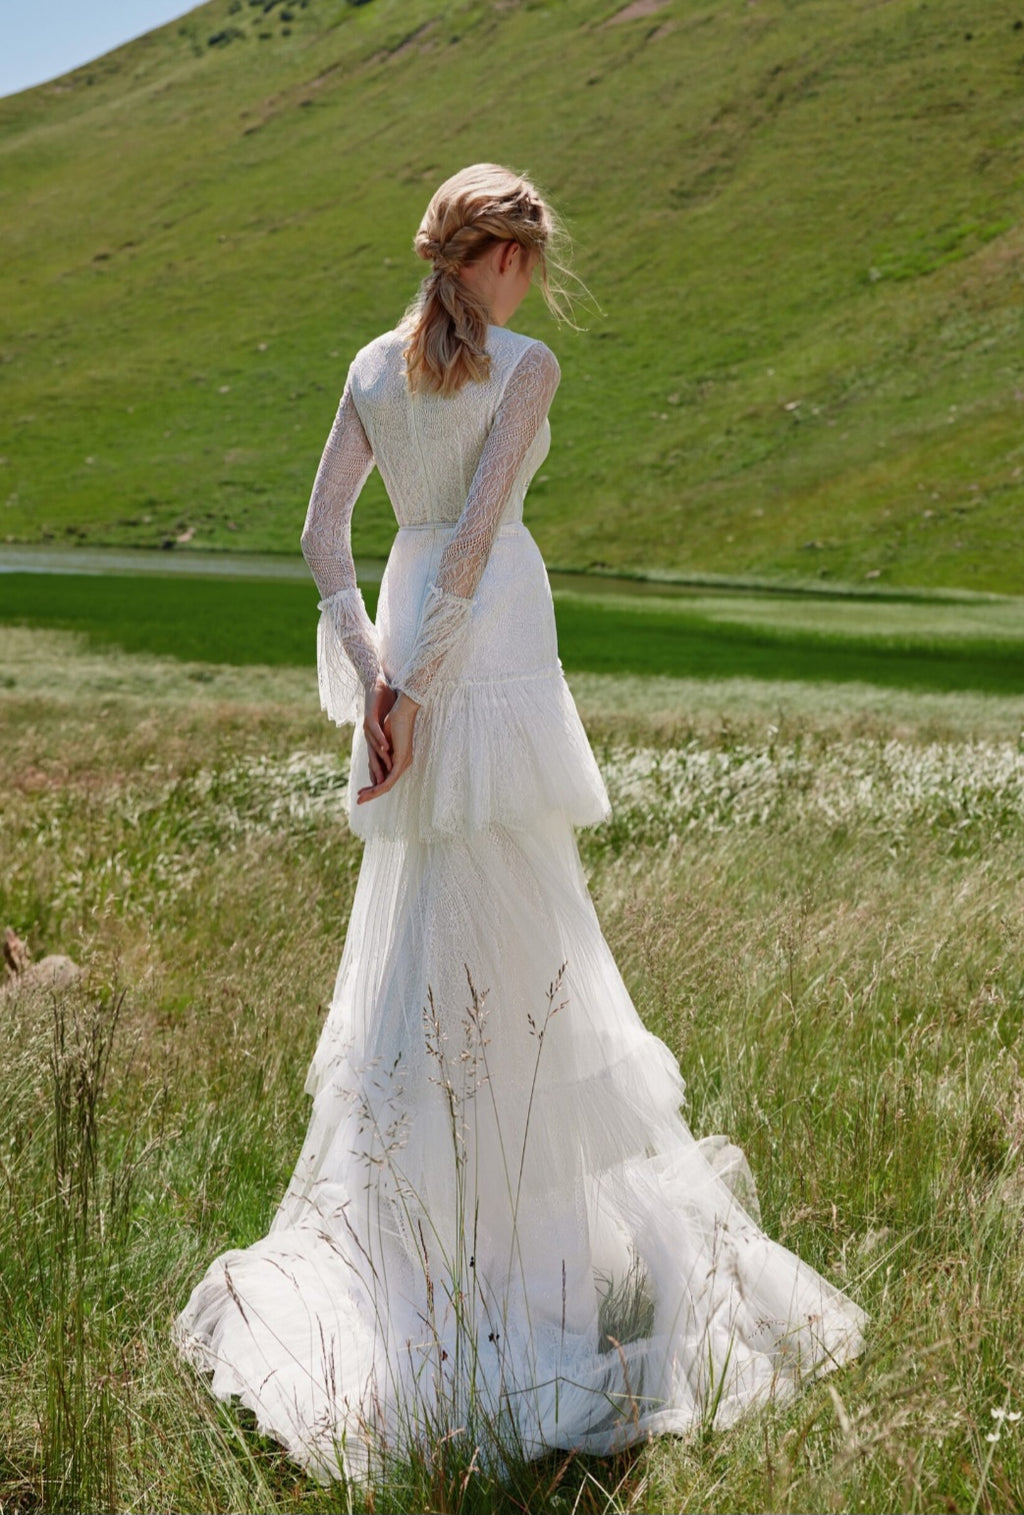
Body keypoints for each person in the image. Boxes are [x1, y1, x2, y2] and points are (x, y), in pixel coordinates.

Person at [175, 164, 865, 1482]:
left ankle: (441, 1243)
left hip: (414, 638)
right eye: (532, 261)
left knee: (433, 942)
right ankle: (523, 1264)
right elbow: (482, 541)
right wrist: (412, 694)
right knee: (525, 937)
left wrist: (373, 673)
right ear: (506, 259)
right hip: (478, 655)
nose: (534, 284)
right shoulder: (527, 364)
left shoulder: (373, 365)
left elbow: (323, 534)